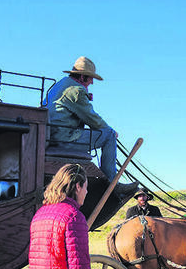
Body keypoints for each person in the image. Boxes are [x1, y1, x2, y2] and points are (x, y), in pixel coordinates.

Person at [43, 57, 132, 188]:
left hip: (53, 136)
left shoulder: (61, 84)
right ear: (82, 77)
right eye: (90, 78)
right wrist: (112, 131)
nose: (92, 82)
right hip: (64, 139)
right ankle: (112, 184)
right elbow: (92, 119)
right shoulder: (76, 90)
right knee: (109, 135)